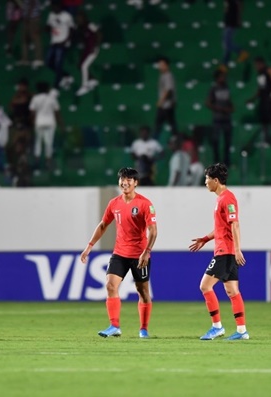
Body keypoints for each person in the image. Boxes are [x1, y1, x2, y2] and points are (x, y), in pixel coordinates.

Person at [80, 167, 157, 338]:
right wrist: (89, 246)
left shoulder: (145, 204)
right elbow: (103, 225)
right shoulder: (114, 203)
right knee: (110, 285)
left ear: (136, 183)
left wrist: (146, 251)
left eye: (129, 179)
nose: (125, 182)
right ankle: (114, 326)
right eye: (122, 178)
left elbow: (153, 230)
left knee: (143, 291)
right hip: (120, 253)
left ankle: (143, 328)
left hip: (139, 255)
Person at [189, 163, 248, 341]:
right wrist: (205, 239)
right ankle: (241, 330)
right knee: (232, 291)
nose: (205, 182)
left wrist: (237, 250)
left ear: (216, 180)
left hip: (225, 252)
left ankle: (217, 327)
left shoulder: (227, 199)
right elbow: (222, 228)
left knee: (205, 286)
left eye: (207, 179)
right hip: (227, 250)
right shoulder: (222, 198)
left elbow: (234, 224)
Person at [29, 81, 63, 170]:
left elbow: (32, 112)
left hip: (39, 122)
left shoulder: (35, 98)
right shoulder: (52, 98)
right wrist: (61, 124)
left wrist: (32, 122)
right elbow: (57, 112)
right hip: (50, 122)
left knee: (38, 142)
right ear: (47, 89)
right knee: (49, 143)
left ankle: (37, 160)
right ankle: (48, 162)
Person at [246, 57, 271, 146]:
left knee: (270, 116)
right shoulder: (259, 74)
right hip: (263, 98)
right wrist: (252, 99)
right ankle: (266, 138)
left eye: (257, 64)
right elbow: (260, 89)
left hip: (270, 97)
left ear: (261, 63)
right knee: (263, 117)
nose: (256, 67)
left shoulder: (269, 70)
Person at [206, 69, 234, 166]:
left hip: (226, 118)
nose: (224, 78)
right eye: (222, 76)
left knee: (227, 141)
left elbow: (229, 100)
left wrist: (230, 108)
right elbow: (208, 103)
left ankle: (227, 160)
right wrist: (219, 108)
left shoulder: (226, 88)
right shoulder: (214, 89)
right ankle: (216, 160)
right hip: (217, 119)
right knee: (216, 141)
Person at [46, 0, 75, 89]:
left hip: (62, 43)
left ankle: (56, 85)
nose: (53, 8)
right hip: (54, 42)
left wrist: (65, 42)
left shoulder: (66, 16)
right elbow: (48, 26)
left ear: (59, 6)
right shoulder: (51, 15)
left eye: (55, 6)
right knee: (48, 62)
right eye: (52, 6)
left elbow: (72, 29)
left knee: (58, 64)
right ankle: (66, 75)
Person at [75, 12, 101, 96]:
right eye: (77, 18)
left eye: (80, 18)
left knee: (84, 66)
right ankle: (92, 80)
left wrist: (96, 46)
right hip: (86, 49)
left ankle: (84, 87)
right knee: (80, 65)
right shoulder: (80, 27)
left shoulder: (90, 25)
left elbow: (99, 34)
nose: (79, 20)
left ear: (84, 18)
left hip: (92, 49)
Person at [221, 0, 249, 69]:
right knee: (226, 44)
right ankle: (224, 64)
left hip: (231, 22)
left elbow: (239, 6)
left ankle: (242, 52)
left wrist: (238, 19)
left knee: (227, 44)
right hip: (228, 23)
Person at [155, 56, 177, 137]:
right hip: (165, 105)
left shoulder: (168, 75)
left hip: (166, 105)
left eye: (161, 64)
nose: (160, 66)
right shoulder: (162, 76)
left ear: (166, 65)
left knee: (161, 125)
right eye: (159, 65)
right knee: (169, 124)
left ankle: (175, 139)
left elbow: (168, 90)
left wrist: (161, 101)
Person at [19, 0, 43, 68]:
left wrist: (28, 16)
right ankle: (24, 59)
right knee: (25, 39)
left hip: (32, 18)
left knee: (35, 39)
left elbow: (33, 2)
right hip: (27, 18)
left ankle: (39, 59)